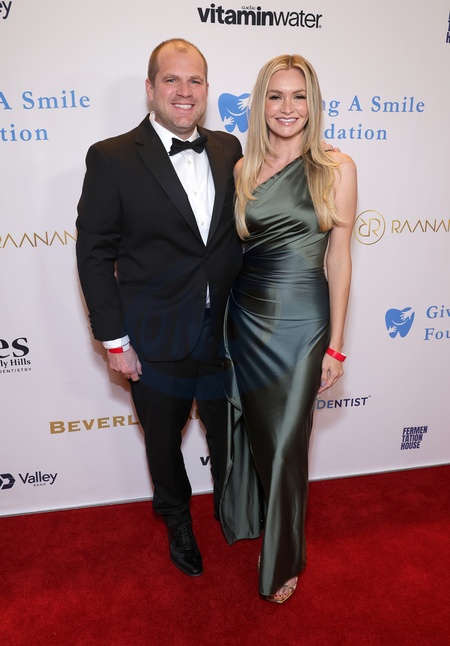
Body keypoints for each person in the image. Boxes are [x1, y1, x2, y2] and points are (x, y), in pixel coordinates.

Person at [76, 39, 243, 578]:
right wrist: (114, 340)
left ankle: (232, 505)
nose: (184, 91)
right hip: (153, 337)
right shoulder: (112, 157)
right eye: (171, 79)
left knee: (229, 433)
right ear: (150, 89)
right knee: (164, 444)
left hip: (224, 332)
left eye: (195, 80)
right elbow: (94, 254)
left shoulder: (230, 148)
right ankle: (176, 520)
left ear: (207, 89)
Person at [219, 54, 357, 603]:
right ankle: (259, 522)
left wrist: (337, 347)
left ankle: (283, 557)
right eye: (275, 96)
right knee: (257, 435)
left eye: (298, 96)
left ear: (312, 103)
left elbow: (339, 259)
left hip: (303, 324)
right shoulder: (242, 170)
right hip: (245, 319)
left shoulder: (337, 167)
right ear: (260, 104)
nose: (287, 107)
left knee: (286, 447)